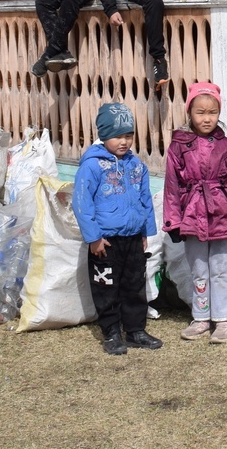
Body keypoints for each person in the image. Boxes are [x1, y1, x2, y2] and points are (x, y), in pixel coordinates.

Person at [163, 82, 227, 344]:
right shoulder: (178, 147)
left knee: (220, 269)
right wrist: (173, 221)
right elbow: (172, 186)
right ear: (189, 113)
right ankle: (201, 317)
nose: (207, 118)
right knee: (199, 270)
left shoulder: (226, 146)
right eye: (200, 112)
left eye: (212, 112)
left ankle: (224, 319)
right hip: (192, 217)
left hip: (222, 215)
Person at [73, 102, 163, 355]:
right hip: (106, 242)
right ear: (103, 135)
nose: (123, 142)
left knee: (134, 286)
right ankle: (112, 333)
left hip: (133, 238)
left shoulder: (137, 166)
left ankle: (135, 331)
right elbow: (82, 203)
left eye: (128, 135)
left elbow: (146, 199)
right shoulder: (92, 166)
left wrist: (145, 232)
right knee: (106, 288)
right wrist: (94, 238)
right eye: (117, 136)